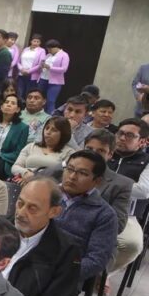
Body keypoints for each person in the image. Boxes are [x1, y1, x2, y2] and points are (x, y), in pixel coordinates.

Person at [80, 131, 142, 273]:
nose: (93, 154)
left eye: (101, 151)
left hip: (91, 241)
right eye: (89, 148)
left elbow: (118, 224)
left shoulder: (122, 184)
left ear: (110, 155)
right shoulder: (65, 171)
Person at [54, 150, 117, 282]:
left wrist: (63, 273)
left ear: (97, 181)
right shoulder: (47, 193)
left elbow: (96, 260)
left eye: (82, 173)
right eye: (70, 169)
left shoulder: (104, 214)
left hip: (65, 275)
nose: (72, 177)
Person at [11, 116, 74, 181]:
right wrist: (25, 173)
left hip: (50, 184)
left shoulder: (69, 153)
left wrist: (33, 178)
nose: (48, 132)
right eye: (47, 128)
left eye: (54, 130)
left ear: (63, 134)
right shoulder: (31, 146)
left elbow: (64, 175)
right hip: (24, 180)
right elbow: (15, 167)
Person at [0, 94, 30, 177]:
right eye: (6, 102)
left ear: (17, 109)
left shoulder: (23, 128)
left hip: (4, 162)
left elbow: (18, 153)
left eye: (13, 103)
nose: (8, 104)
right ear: (1, 107)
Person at [109, 118, 149, 200]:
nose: (122, 138)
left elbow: (143, 191)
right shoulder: (106, 153)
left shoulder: (146, 161)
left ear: (142, 141)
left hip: (126, 207)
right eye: (120, 133)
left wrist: (106, 184)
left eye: (130, 135)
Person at [39, 40, 70, 114]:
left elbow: (64, 69)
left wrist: (50, 67)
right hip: (43, 78)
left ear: (56, 47)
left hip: (55, 81)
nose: (49, 51)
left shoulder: (64, 55)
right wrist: (42, 65)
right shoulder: (48, 55)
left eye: (50, 49)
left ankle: (50, 116)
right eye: (48, 49)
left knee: (50, 100)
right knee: (40, 98)